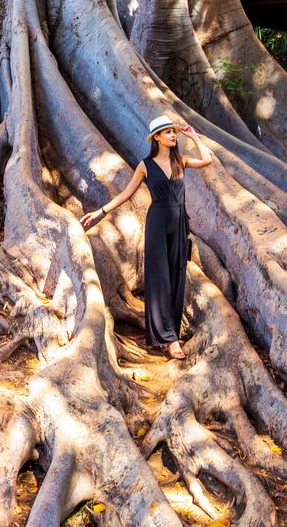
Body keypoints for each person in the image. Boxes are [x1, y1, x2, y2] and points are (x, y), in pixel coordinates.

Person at [80, 115, 212, 359]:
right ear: (157, 138)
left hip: (179, 223)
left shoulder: (180, 161)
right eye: (168, 132)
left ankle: (164, 334)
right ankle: (170, 340)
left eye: (174, 132)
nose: (173, 135)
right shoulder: (145, 165)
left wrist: (193, 134)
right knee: (159, 278)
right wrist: (100, 212)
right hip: (157, 224)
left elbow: (208, 160)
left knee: (176, 277)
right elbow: (126, 194)